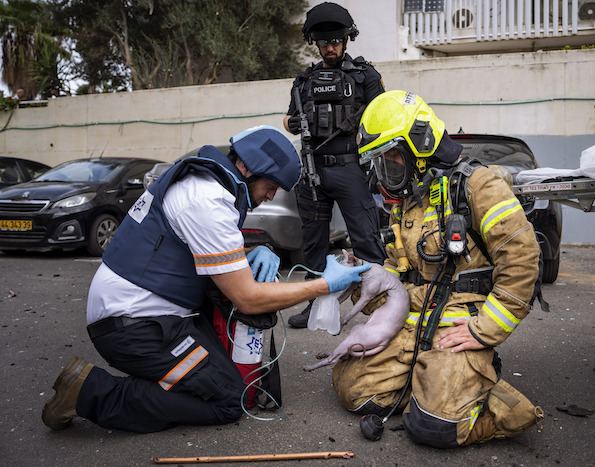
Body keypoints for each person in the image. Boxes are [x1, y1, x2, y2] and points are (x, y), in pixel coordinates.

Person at [41, 125, 370, 433]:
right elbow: (248, 298)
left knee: (224, 378)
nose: (271, 196)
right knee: (229, 400)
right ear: (249, 170)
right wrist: (326, 284)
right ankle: (89, 392)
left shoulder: (205, 185)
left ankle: (170, 380)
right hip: (132, 325)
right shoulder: (206, 199)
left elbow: (200, 243)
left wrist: (255, 248)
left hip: (149, 312)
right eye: (271, 187)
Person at [330, 91, 545, 448]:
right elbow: (395, 269)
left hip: (461, 324)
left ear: (420, 146)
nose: (386, 171)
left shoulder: (479, 186)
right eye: (380, 162)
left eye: (391, 158)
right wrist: (361, 279)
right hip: (415, 320)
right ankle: (437, 382)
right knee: (353, 390)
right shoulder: (407, 202)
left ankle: (499, 402)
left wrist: (483, 330)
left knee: (434, 427)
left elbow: (522, 261)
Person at [284, 2, 387, 328]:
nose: (330, 47)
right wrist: (298, 122)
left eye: (335, 41)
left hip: (349, 168)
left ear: (346, 39)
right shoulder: (304, 81)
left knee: (366, 238)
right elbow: (288, 119)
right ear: (316, 42)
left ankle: (381, 300)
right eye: (324, 42)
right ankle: (314, 306)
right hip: (313, 170)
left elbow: (382, 117)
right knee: (312, 243)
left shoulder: (365, 75)